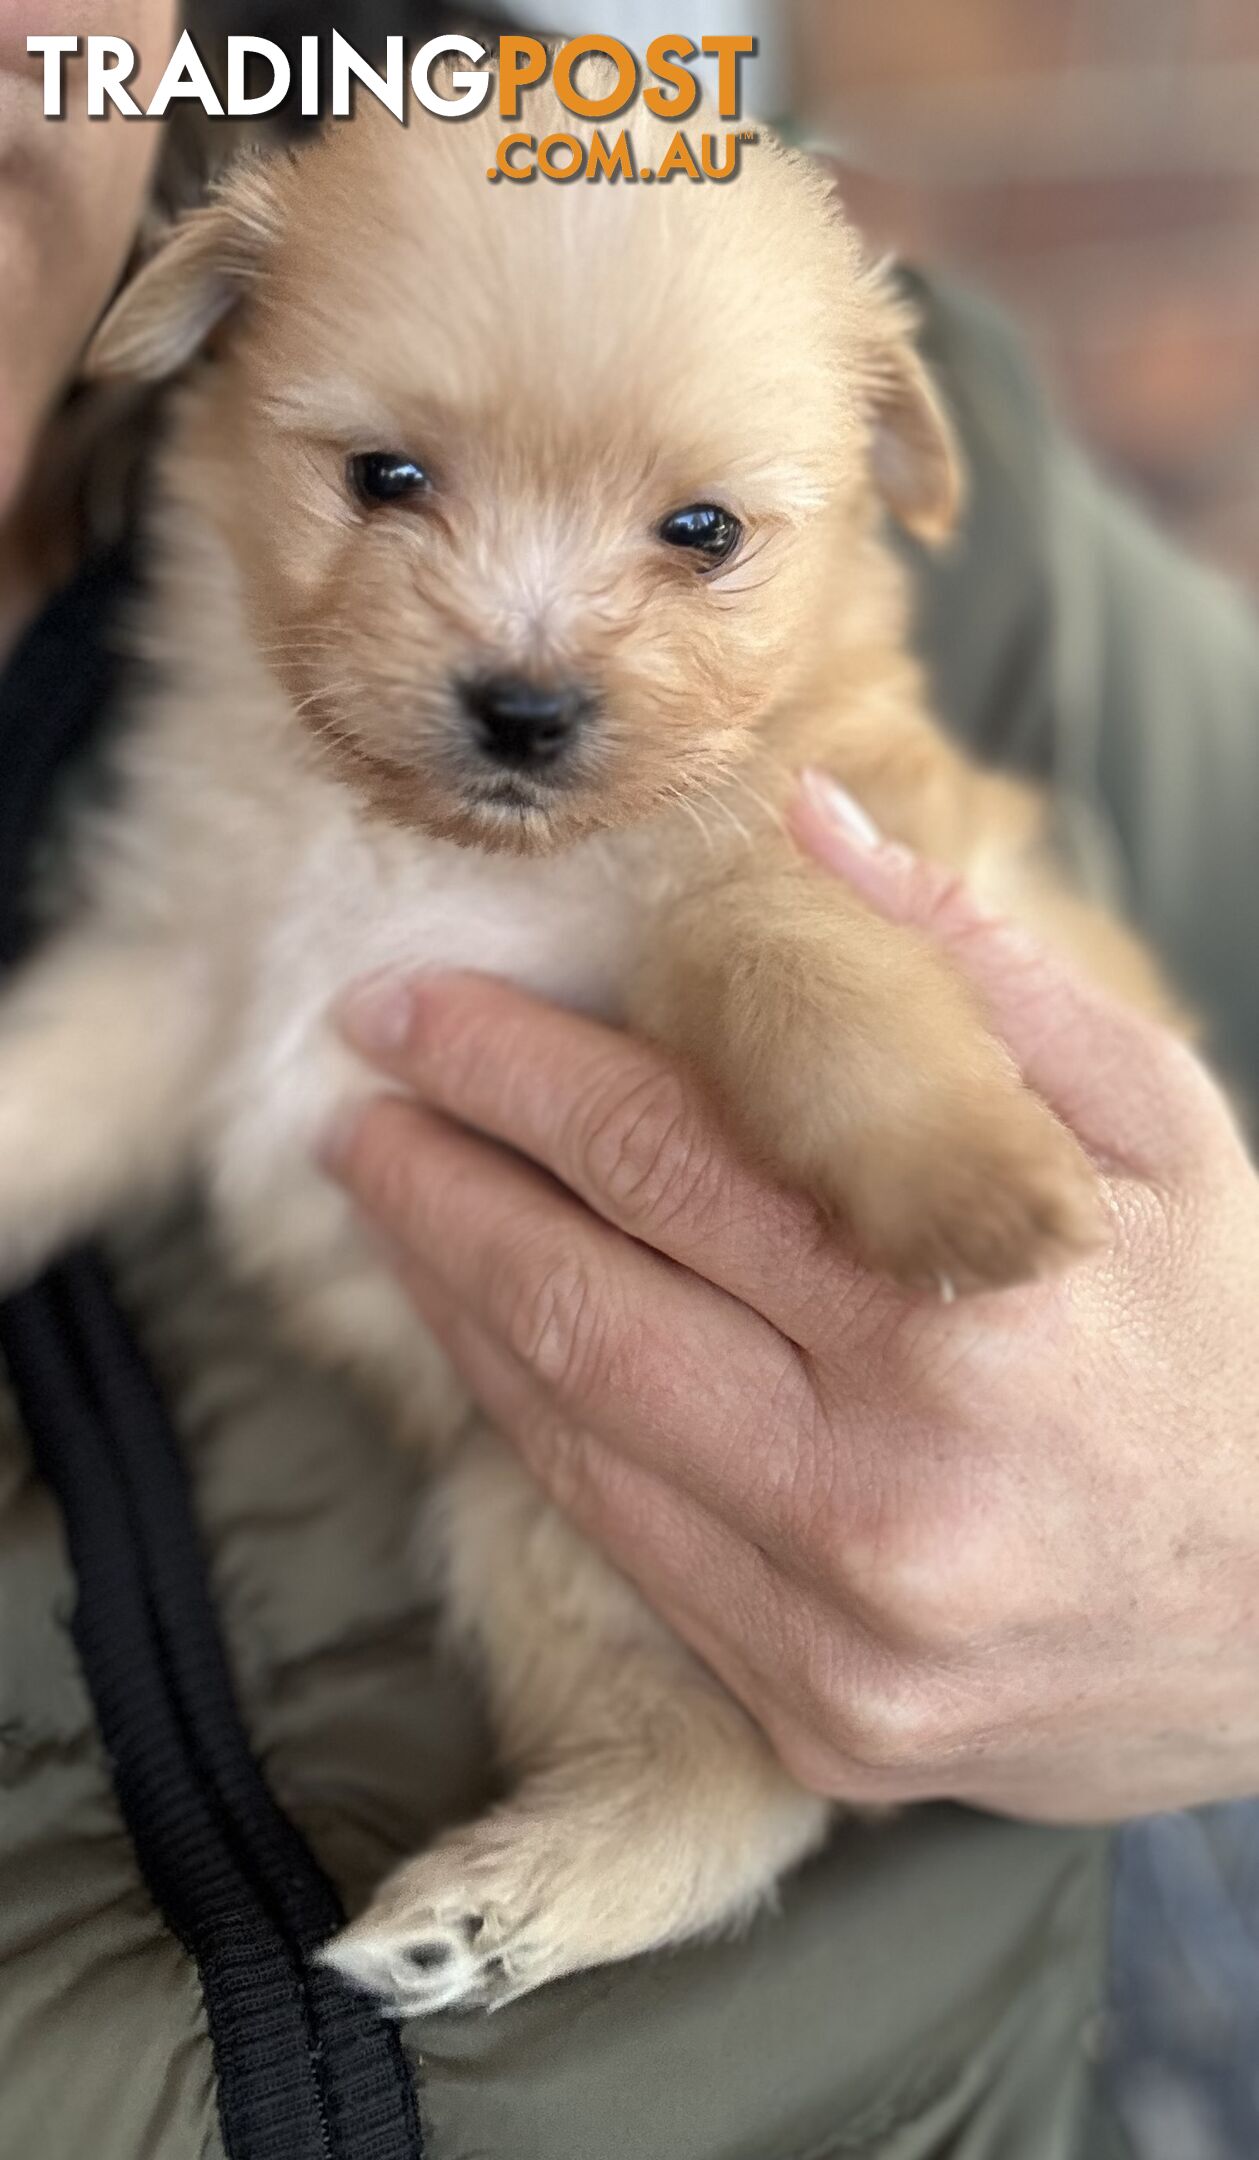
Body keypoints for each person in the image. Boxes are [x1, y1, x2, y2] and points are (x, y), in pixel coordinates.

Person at [1, 14, 1257, 2159]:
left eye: (696, 534)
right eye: (392, 483)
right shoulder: (311, 266)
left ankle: (687, 1801)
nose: (528, 650)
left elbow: (793, 959)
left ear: (877, 474)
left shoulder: (901, 488)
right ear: (209, 344)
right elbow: (141, 1010)